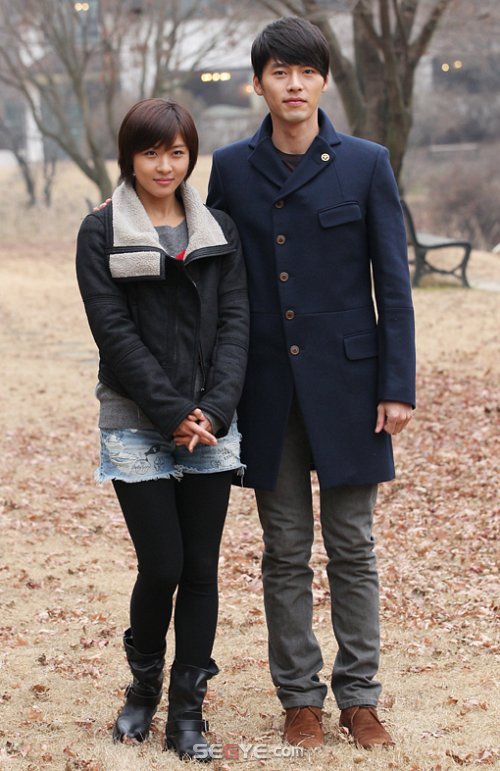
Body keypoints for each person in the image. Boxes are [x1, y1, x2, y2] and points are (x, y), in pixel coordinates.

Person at [207, 17, 415, 750]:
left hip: (353, 386)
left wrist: (397, 384)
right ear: (258, 83)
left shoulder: (366, 162)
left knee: (353, 544)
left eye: (306, 72)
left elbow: (393, 284)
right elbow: (212, 271)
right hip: (266, 386)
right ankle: (300, 700)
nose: (293, 85)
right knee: (285, 548)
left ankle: (360, 698)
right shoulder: (231, 168)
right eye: (279, 72)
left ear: (323, 80)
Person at [76, 98, 249, 761]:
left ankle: (187, 711)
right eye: (150, 152)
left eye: (176, 152)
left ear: (190, 156)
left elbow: (236, 324)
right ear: (129, 157)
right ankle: (143, 686)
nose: (164, 165)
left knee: (200, 567)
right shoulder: (101, 230)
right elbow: (113, 332)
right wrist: (172, 411)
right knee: (163, 564)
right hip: (135, 422)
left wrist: (214, 410)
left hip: (211, 424)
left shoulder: (218, 229)